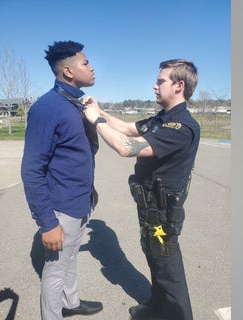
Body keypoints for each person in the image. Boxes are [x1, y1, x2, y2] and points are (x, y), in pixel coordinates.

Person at [82, 59, 200, 320]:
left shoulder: (181, 127)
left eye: (160, 81)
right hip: (150, 207)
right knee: (155, 259)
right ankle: (157, 308)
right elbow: (127, 128)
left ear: (179, 86)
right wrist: (101, 111)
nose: (155, 86)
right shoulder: (163, 119)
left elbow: (127, 147)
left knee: (168, 268)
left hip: (163, 212)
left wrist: (96, 121)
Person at [21, 40, 103, 320]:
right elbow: (32, 169)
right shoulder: (48, 108)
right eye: (85, 63)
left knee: (70, 259)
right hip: (61, 208)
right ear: (68, 71)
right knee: (54, 272)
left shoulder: (75, 104)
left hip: (80, 202)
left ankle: (71, 303)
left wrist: (89, 190)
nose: (91, 68)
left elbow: (75, 155)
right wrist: (48, 222)